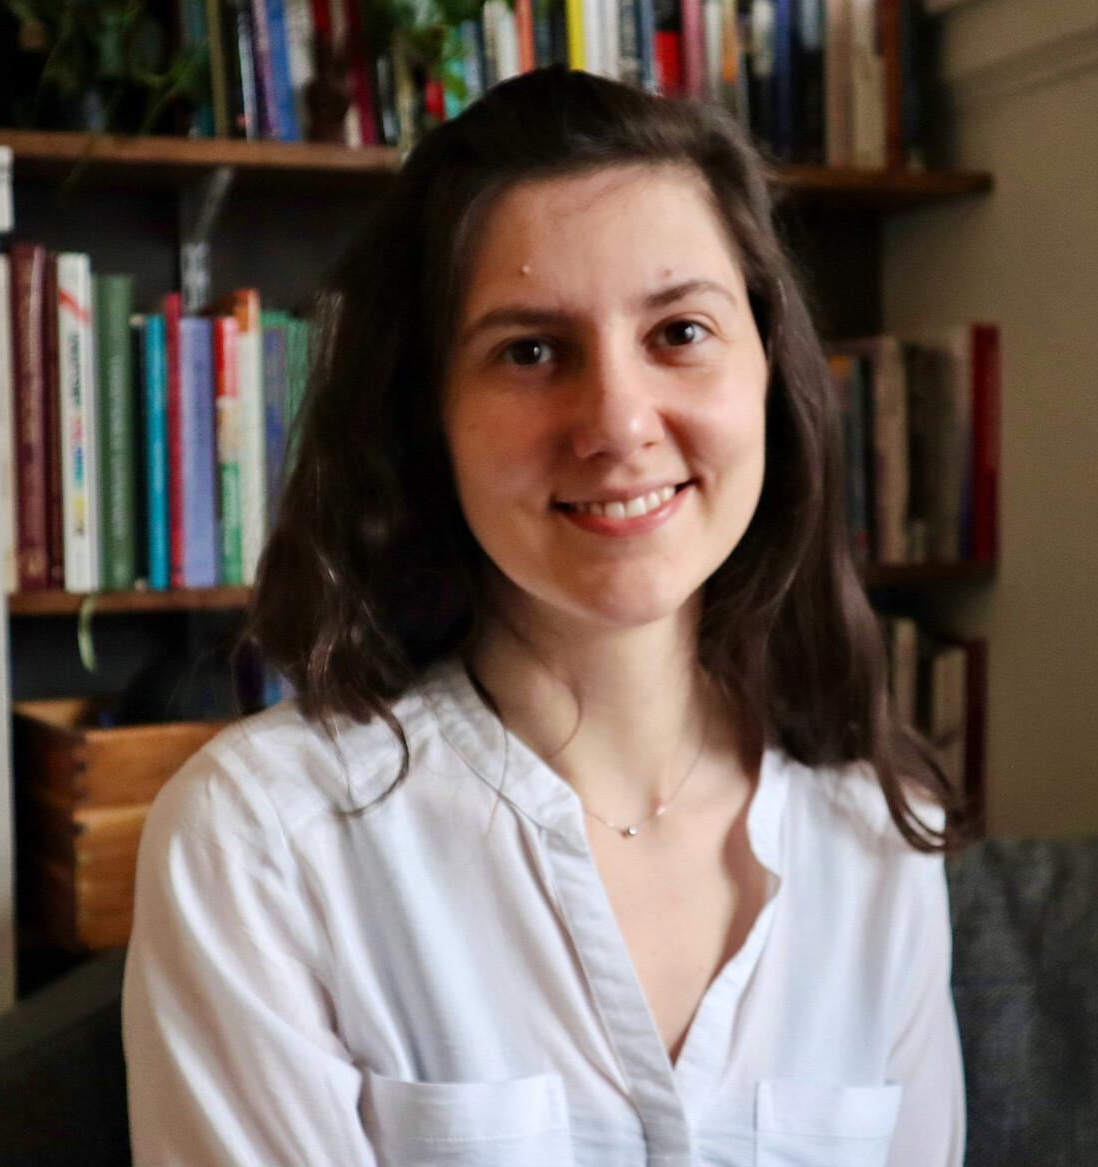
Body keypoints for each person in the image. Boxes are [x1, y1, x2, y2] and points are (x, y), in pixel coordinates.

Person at [122, 66, 968, 1167]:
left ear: (768, 372)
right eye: (530, 351)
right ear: (425, 419)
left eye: (679, 332)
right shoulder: (261, 845)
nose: (617, 422)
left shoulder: (877, 835)